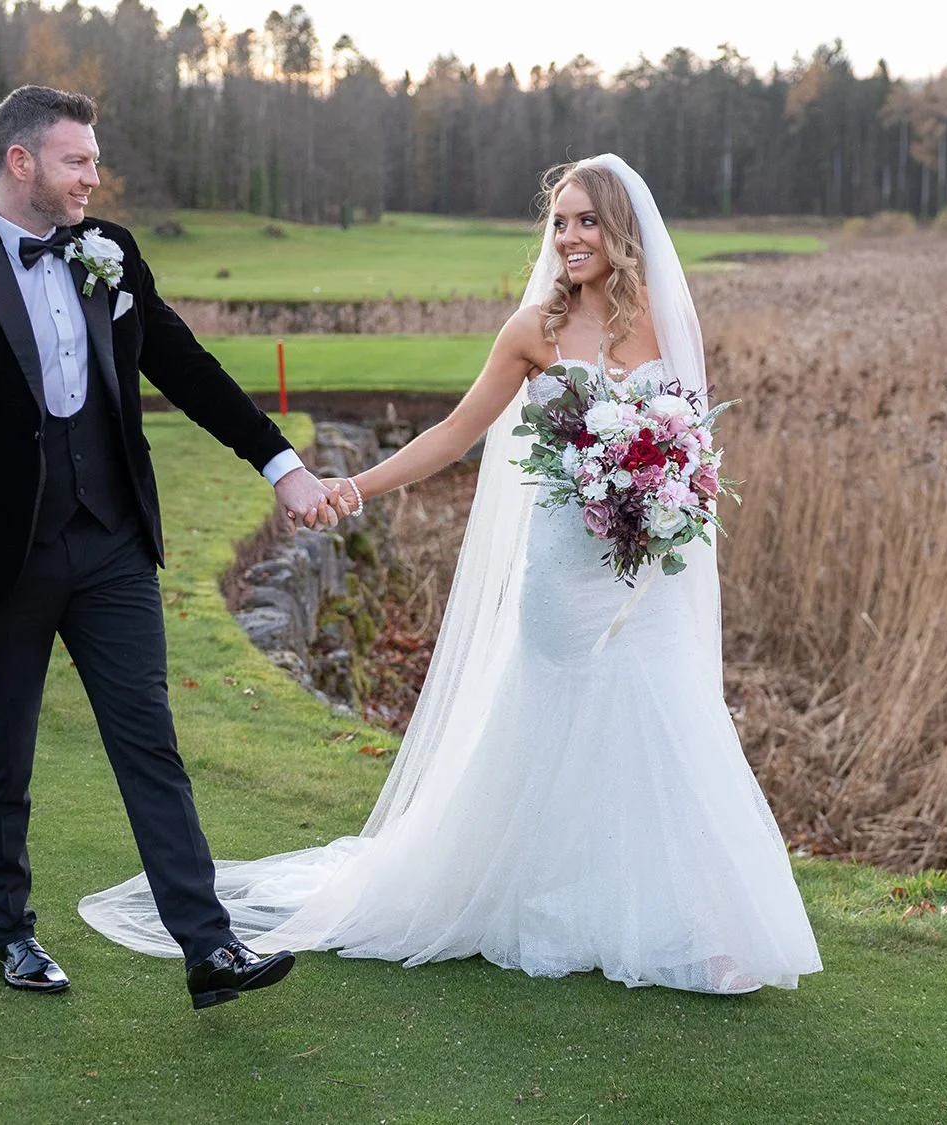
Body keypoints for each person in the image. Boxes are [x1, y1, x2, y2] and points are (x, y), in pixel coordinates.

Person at [81, 155, 822, 994]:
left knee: (668, 722)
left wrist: (666, 493)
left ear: (621, 229)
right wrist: (353, 487)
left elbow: (692, 444)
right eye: (560, 222)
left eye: (587, 221)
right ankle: (539, 898)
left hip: (645, 575)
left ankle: (692, 920)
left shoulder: (665, 318)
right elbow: (454, 433)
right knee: (557, 727)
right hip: (561, 573)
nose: (570, 237)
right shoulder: (532, 332)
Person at [0, 85, 342, 1009]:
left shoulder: (110, 251)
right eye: (77, 160)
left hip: (114, 544)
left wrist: (279, 462)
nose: (94, 175)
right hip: (0, 560)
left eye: (94, 158)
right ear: (21, 163)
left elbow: (186, 366)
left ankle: (209, 946)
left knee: (150, 744)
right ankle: (10, 933)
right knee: (1, 753)